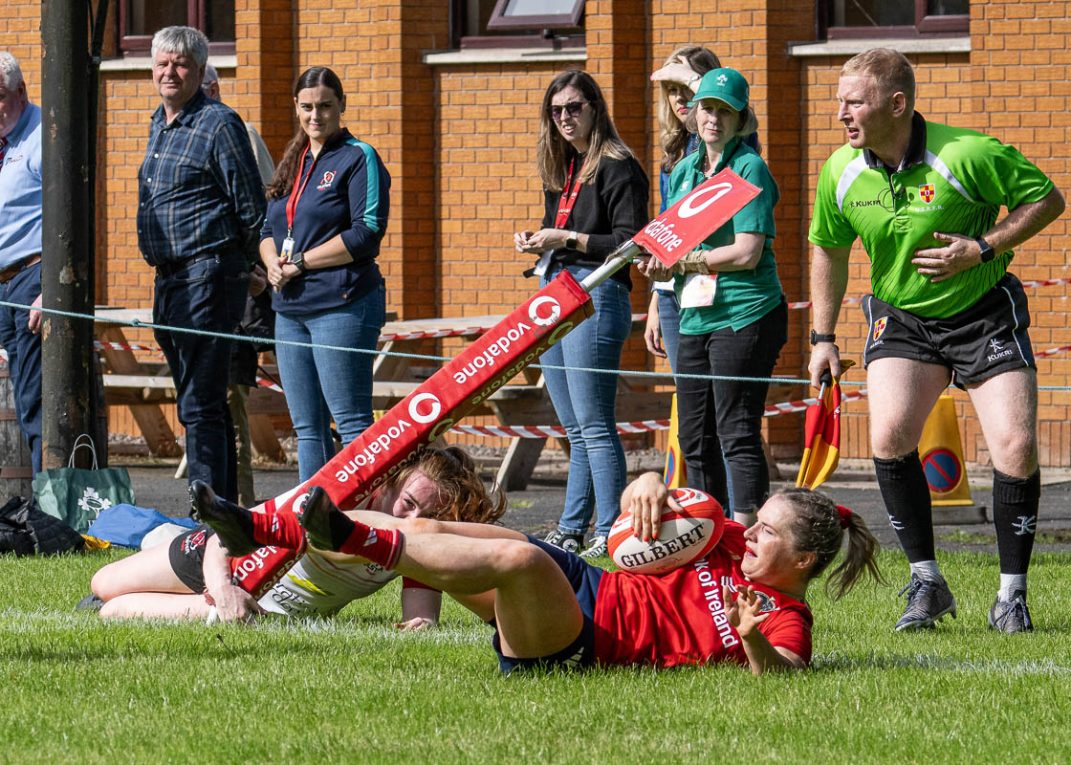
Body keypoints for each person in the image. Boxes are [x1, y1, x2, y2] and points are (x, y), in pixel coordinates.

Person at [807, 48, 1065, 633]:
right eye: (839, 100)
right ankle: (926, 582)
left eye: (854, 101)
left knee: (1017, 446)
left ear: (896, 104)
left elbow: (1046, 199)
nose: (841, 113)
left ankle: (1011, 596)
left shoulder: (967, 154)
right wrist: (823, 337)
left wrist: (983, 247)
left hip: (983, 315)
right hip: (902, 319)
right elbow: (828, 247)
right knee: (890, 435)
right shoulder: (840, 171)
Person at [196, 471, 881, 675]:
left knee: (517, 557)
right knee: (431, 530)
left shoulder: (787, 614)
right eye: (754, 519)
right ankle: (258, 528)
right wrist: (645, 484)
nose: (749, 529)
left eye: (767, 530)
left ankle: (342, 534)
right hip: (587, 581)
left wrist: (753, 638)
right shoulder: (727, 541)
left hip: (578, 639)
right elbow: (655, 517)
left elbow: (788, 675)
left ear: (805, 560)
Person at [89, 446, 505, 624]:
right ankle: (161, 536)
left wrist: (422, 623)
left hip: (262, 610)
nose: (409, 517)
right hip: (222, 563)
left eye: (425, 514)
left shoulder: (411, 538)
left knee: (112, 611)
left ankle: (162, 545)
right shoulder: (333, 500)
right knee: (102, 584)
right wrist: (223, 589)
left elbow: (422, 603)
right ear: (391, 483)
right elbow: (228, 535)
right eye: (408, 502)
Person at [639, 68, 787, 528]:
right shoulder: (683, 171)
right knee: (693, 435)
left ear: (741, 118)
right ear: (693, 113)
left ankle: (747, 537)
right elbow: (668, 243)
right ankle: (710, 532)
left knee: (736, 431)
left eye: (726, 111)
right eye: (707, 108)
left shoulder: (748, 167)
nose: (714, 119)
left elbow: (747, 252)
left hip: (746, 312)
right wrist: (656, 266)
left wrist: (684, 262)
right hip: (693, 315)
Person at [514, 70, 649, 559]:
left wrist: (564, 239)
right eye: (556, 111)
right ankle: (573, 528)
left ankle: (611, 527)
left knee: (594, 424)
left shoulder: (618, 166)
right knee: (573, 427)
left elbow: (632, 243)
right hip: (558, 292)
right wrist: (538, 239)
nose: (565, 118)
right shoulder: (564, 164)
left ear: (595, 107)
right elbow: (561, 230)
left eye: (574, 108)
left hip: (597, 297)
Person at [137, 27, 267, 501]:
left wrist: (250, 269)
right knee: (195, 402)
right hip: (169, 278)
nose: (169, 72)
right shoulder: (159, 122)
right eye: (162, 64)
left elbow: (253, 209)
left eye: (181, 64)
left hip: (208, 276)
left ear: (198, 69)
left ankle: (210, 513)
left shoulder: (218, 124)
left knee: (202, 403)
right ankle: (220, 507)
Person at [260, 66, 390, 482]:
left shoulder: (359, 156)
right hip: (290, 310)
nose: (315, 116)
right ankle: (310, 525)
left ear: (341, 107)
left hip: (342, 305)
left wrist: (300, 263)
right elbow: (266, 231)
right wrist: (271, 265)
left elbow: (366, 233)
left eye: (325, 106)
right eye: (307, 107)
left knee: (351, 422)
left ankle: (365, 521)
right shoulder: (294, 160)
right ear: (296, 109)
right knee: (307, 429)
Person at [200, 63, 276, 506]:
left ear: (212, 88)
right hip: (192, 296)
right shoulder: (171, 130)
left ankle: (238, 512)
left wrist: (254, 271)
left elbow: (264, 209)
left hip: (235, 294)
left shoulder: (239, 131)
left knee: (228, 412)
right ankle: (211, 508)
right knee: (205, 410)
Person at [645, 46, 722, 372]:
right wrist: (656, 300)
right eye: (672, 90)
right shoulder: (673, 153)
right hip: (673, 292)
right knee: (691, 404)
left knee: (717, 408)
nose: (678, 98)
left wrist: (698, 82)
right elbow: (667, 232)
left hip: (715, 288)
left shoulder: (726, 141)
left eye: (686, 88)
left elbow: (743, 131)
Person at [0, 53, 43, 475]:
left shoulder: (43, 134)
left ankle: (50, 509)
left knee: (33, 399)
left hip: (32, 279)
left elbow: (72, 216)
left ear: (20, 92)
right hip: (1, 288)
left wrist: (53, 288)